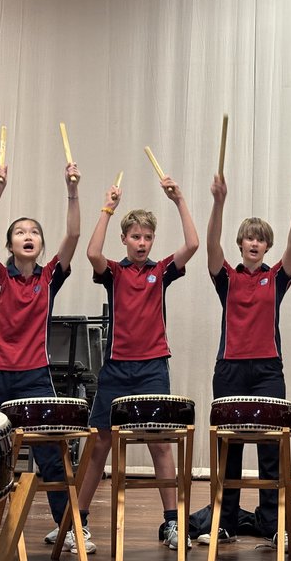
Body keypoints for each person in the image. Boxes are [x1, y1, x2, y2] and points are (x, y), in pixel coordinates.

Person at [76, 174, 199, 553]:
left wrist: (178, 200)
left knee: (160, 445)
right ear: (125, 239)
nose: (142, 243)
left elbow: (193, 243)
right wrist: (107, 208)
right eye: (136, 237)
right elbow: (92, 253)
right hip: (116, 368)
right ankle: (77, 523)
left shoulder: (160, 271)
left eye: (147, 238)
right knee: (100, 444)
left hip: (152, 367)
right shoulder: (113, 272)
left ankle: (172, 524)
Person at [0, 161, 89, 552]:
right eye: (20, 232)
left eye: (34, 232)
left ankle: (70, 527)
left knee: (52, 454)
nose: (28, 236)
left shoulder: (49, 277)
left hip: (34, 377)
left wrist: (71, 189)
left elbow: (73, 233)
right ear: (10, 246)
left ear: (40, 244)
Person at [198, 174, 291, 545]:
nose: (255, 243)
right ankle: (224, 522)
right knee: (228, 449)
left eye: (261, 239)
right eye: (249, 237)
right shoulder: (226, 277)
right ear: (241, 243)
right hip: (229, 370)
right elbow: (211, 244)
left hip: (267, 372)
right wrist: (219, 201)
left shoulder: (276, 277)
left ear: (266, 246)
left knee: (270, 450)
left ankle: (273, 523)